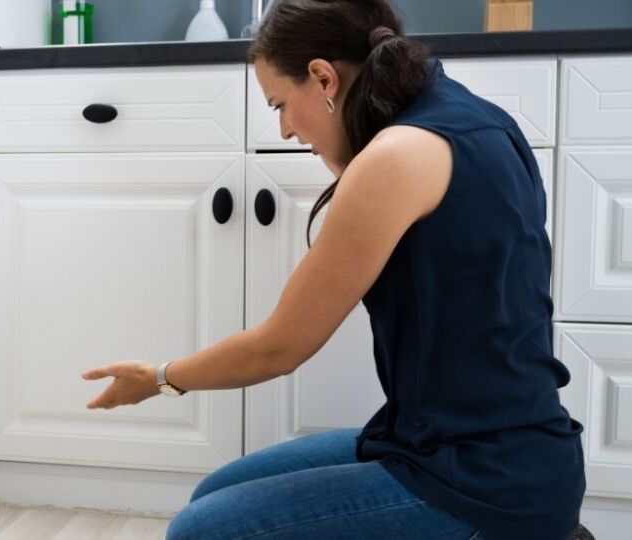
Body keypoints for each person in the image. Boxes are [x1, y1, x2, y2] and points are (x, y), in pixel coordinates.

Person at [79, 1, 586, 539]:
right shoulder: (472, 118)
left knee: (201, 532)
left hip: (484, 484)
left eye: (280, 104)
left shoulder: (396, 157)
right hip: (467, 444)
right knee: (212, 496)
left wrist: (158, 379)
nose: (286, 128)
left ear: (323, 76)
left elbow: (279, 347)